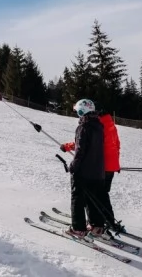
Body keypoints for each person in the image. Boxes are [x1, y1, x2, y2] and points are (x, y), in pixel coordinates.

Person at [60, 98, 110, 238]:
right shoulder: (99, 126)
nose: (78, 114)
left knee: (77, 199)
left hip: (84, 172)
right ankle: (97, 226)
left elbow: (80, 151)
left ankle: (78, 228)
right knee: (93, 198)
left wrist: (73, 166)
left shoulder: (83, 127)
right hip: (98, 172)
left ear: (82, 111)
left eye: (78, 112)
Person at [97, 106, 121, 229]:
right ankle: (109, 220)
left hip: (102, 166)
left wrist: (67, 146)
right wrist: (116, 164)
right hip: (111, 166)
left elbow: (89, 142)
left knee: (97, 194)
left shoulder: (99, 125)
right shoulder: (112, 126)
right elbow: (117, 145)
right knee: (103, 194)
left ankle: (100, 221)